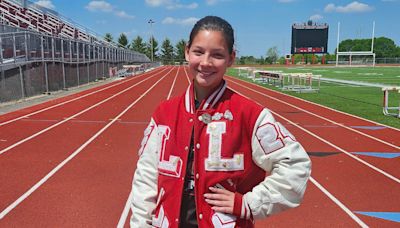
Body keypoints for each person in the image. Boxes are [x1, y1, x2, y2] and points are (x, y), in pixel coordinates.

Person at [130, 15, 311, 228]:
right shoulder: (164, 113)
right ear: (187, 52)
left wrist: (249, 204)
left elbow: (296, 165)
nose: (205, 62)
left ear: (231, 58)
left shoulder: (249, 114)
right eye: (198, 52)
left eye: (217, 55)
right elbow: (146, 178)